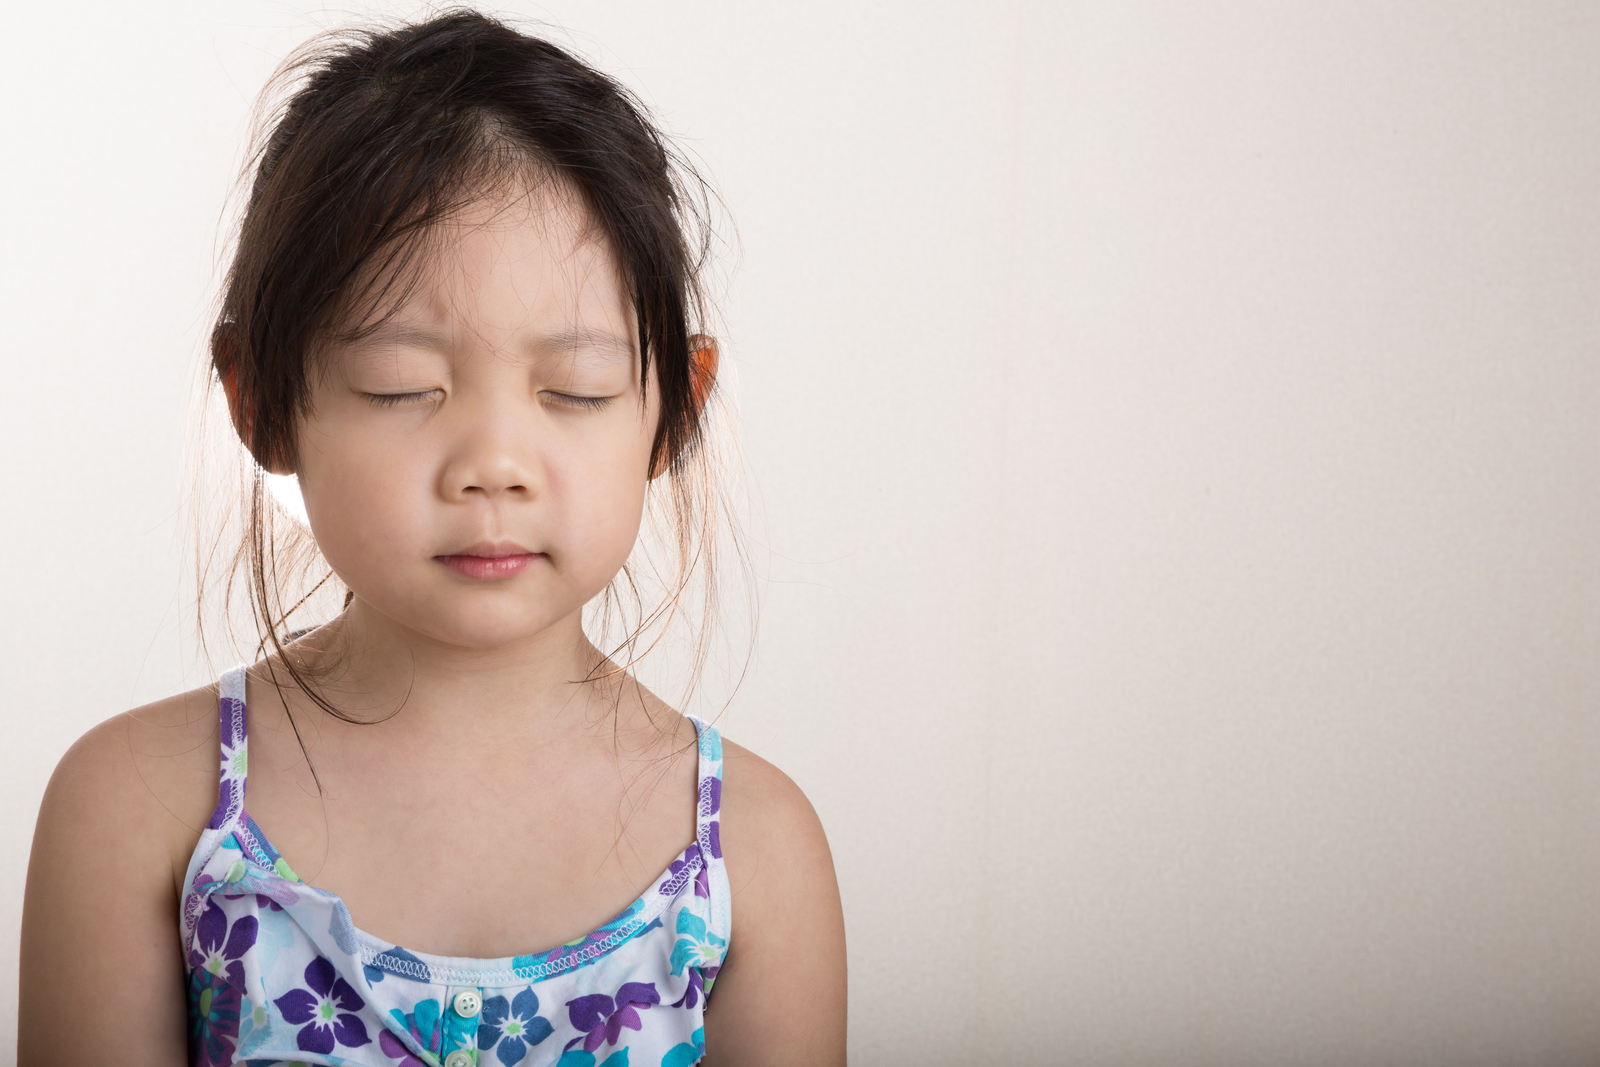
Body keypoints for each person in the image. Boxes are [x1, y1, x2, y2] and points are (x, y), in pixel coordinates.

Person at [18, 11, 847, 1065]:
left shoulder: (752, 854)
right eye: (402, 386)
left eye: (576, 390)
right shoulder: (139, 810)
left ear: (674, 408)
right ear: (259, 400)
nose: (492, 462)